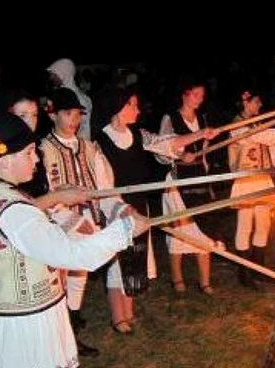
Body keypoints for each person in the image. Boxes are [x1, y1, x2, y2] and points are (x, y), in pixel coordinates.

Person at [0, 112, 149, 368]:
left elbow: (24, 216)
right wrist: (125, 229)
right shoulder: (16, 212)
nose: (36, 159)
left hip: (20, 318)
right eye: (30, 152)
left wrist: (56, 196)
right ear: (6, 159)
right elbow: (74, 254)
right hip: (30, 326)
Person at [39, 87, 131, 353]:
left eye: (78, 114)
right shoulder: (44, 150)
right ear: (53, 115)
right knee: (62, 278)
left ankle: (71, 328)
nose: (74, 120)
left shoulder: (90, 147)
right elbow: (48, 196)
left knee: (80, 275)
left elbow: (104, 188)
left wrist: (119, 208)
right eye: (68, 114)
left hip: (90, 219)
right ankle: (60, 334)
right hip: (60, 222)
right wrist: (76, 222)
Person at [93, 86, 189, 332]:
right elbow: (103, 185)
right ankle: (118, 317)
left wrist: (199, 136)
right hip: (114, 209)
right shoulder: (99, 142)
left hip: (139, 205)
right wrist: (122, 209)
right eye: (132, 105)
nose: (137, 109)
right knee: (118, 262)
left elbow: (165, 143)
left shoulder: (138, 133)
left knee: (136, 258)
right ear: (118, 108)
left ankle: (129, 311)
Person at [228, 90, 275, 289]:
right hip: (245, 180)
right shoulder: (237, 125)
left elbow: (271, 146)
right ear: (246, 102)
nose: (260, 105)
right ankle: (244, 273)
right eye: (257, 101)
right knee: (245, 226)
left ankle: (259, 270)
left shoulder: (258, 123)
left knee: (263, 224)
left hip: (262, 179)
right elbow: (259, 137)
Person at [158, 81, 221, 294]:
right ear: (185, 94)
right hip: (177, 181)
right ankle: (177, 279)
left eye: (201, 96)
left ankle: (205, 281)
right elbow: (166, 147)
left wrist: (207, 177)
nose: (199, 100)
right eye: (195, 95)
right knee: (180, 229)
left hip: (198, 177)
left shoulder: (203, 120)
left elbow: (204, 154)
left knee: (204, 225)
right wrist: (182, 153)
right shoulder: (171, 118)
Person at [47, 58, 93, 140]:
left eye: (54, 74)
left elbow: (84, 127)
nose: (51, 78)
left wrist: (80, 146)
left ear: (63, 74)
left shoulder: (79, 98)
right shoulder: (59, 93)